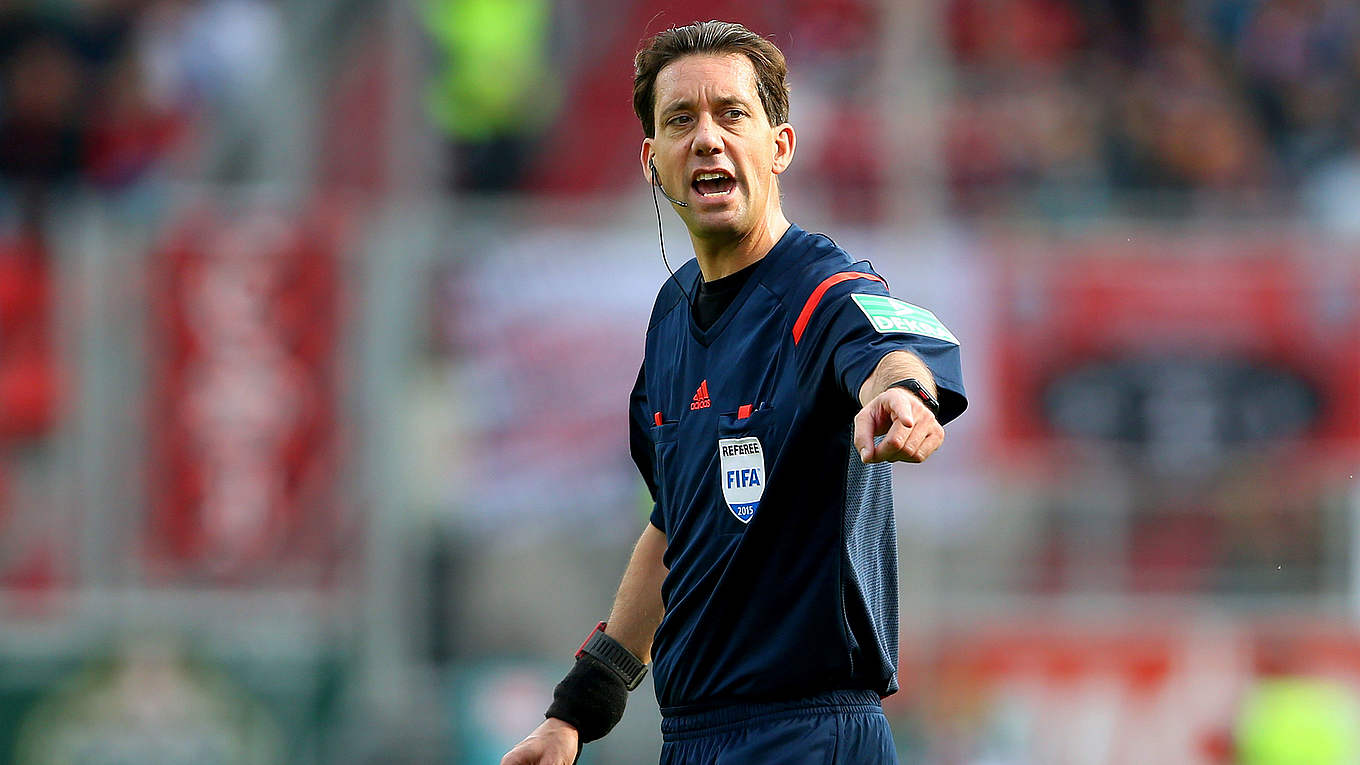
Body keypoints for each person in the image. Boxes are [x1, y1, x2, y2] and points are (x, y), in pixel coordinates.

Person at [502, 20, 966, 765]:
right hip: (692, 739)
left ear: (780, 146)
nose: (707, 139)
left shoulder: (821, 287)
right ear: (652, 161)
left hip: (808, 735)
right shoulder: (670, 319)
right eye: (681, 120)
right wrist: (575, 714)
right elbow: (673, 530)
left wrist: (904, 396)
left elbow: (892, 351)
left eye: (732, 114)